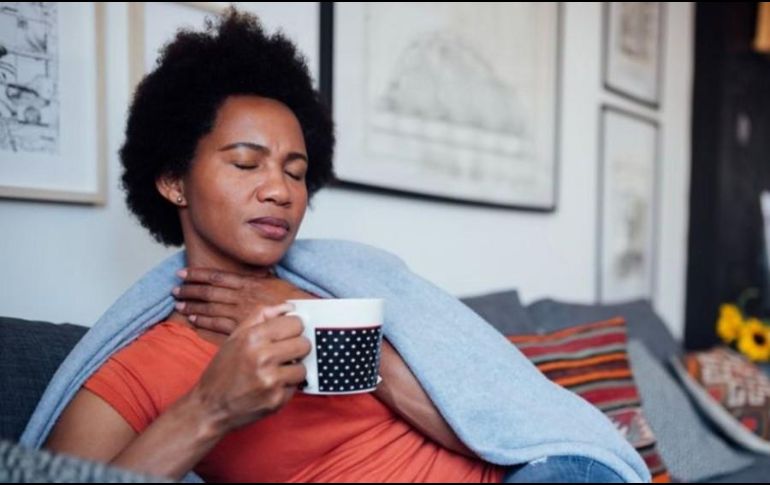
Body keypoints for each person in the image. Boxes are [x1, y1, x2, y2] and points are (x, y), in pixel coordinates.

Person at [44, 9, 626, 483]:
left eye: (296, 172)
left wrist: (317, 322)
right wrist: (209, 408)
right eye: (246, 162)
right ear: (174, 181)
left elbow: (489, 428)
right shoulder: (141, 366)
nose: (279, 190)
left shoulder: (342, 287)